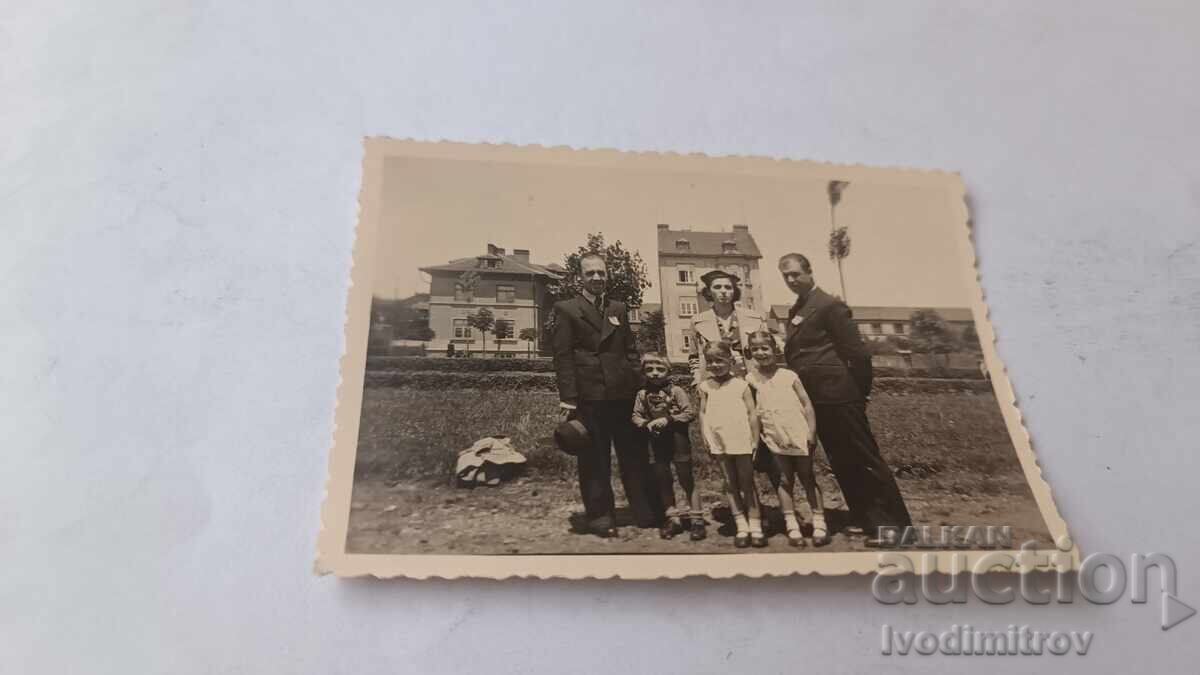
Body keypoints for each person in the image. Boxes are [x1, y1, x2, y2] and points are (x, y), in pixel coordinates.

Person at [777, 253, 912, 546]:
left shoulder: (830, 305)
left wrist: (859, 392)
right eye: (785, 275)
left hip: (840, 396)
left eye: (795, 273)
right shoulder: (797, 309)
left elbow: (858, 354)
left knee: (864, 459)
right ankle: (865, 519)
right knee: (842, 461)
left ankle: (895, 527)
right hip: (816, 399)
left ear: (810, 272)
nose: (790, 280)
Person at [552, 253, 660, 538]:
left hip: (624, 394)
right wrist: (568, 397)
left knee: (635, 455)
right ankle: (600, 517)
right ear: (580, 277)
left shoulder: (619, 308)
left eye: (601, 273)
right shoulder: (566, 309)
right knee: (594, 459)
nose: (597, 278)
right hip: (590, 396)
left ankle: (645, 511)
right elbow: (563, 356)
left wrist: (641, 387)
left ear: (607, 275)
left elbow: (629, 351)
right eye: (590, 273)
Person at [744, 331, 828, 547]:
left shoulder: (789, 376)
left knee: (807, 477)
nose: (760, 353)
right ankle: (792, 525)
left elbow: (807, 404)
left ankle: (819, 523)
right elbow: (752, 411)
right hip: (773, 436)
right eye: (755, 349)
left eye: (765, 348)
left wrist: (811, 431)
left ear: (775, 349)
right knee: (784, 480)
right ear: (750, 352)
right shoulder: (751, 379)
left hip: (798, 433)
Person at [697, 341, 765, 548]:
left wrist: (755, 439)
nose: (715, 365)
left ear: (730, 360)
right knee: (729, 481)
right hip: (719, 439)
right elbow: (702, 413)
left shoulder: (741, 384)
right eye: (711, 361)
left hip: (741, 438)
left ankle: (755, 524)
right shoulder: (705, 386)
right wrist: (706, 437)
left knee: (746, 481)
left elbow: (753, 413)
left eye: (720, 360)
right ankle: (740, 524)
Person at [631, 354, 703, 541]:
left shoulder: (676, 391)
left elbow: (689, 413)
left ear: (668, 371)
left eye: (660, 369)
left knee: (686, 479)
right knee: (663, 479)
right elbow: (636, 416)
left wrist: (669, 419)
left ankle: (697, 519)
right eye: (649, 370)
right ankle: (672, 518)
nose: (655, 374)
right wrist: (646, 424)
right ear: (644, 372)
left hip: (678, 440)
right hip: (656, 442)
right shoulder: (642, 394)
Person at [688, 270, 770, 385]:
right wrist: (697, 378)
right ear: (709, 292)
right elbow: (694, 356)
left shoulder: (755, 318)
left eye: (728, 287)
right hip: (714, 383)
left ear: (734, 292)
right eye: (717, 287)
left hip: (751, 381)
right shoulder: (697, 321)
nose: (723, 291)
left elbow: (768, 350)